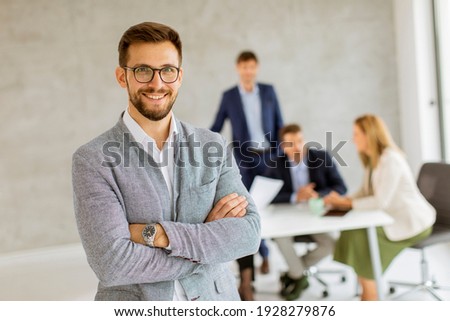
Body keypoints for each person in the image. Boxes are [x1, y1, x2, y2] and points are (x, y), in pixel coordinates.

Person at [72, 22, 261, 301]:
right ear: (122, 77)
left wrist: (158, 235)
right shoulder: (93, 160)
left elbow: (248, 234)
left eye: (167, 71)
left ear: (180, 76)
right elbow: (113, 264)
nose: (157, 83)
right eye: (142, 70)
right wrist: (207, 245)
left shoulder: (212, 146)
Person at [324, 114, 436, 301]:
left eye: (357, 134)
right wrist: (343, 199)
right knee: (352, 231)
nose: (353, 139)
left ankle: (371, 293)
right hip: (391, 218)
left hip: (413, 222)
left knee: (361, 236)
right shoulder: (373, 160)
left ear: (370, 135)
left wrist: (348, 204)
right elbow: (364, 191)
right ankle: (368, 288)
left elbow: (380, 201)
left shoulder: (391, 159)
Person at [210, 50, 283, 300]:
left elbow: (280, 125)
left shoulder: (269, 91)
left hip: (268, 157)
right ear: (238, 68)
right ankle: (247, 280)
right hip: (243, 159)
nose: (248, 71)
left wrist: (281, 156)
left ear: (257, 68)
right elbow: (216, 127)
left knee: (266, 208)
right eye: (244, 67)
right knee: (243, 212)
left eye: (252, 66)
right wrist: (202, 147)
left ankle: (264, 252)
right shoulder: (229, 96)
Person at [264, 124, 347, 300]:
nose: (298, 146)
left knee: (331, 243)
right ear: (283, 147)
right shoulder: (275, 164)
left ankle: (295, 274)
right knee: (280, 237)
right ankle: (299, 275)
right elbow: (269, 196)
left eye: (300, 141)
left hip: (315, 216)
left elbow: (341, 187)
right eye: (291, 143)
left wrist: (318, 195)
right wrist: (296, 196)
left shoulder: (322, 157)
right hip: (286, 219)